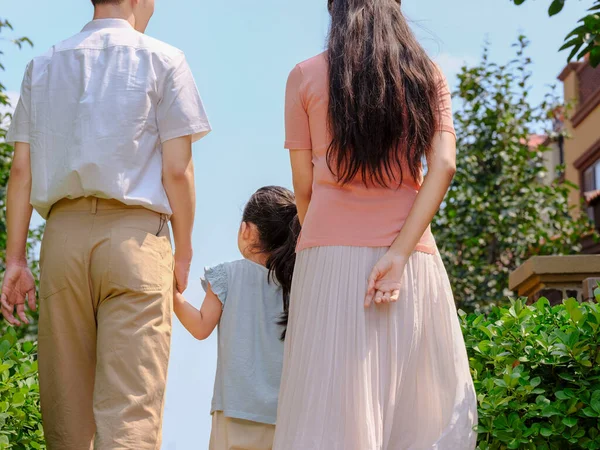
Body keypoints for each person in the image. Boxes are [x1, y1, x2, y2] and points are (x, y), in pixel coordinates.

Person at [1, 0, 211, 448]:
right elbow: (177, 170)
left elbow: (21, 172)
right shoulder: (164, 59)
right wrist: (185, 248)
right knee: (130, 414)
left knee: (67, 417)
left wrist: (15, 260)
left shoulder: (42, 66)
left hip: (62, 240)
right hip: (136, 240)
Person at [273, 0, 477, 449]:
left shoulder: (304, 75)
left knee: (328, 412)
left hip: (327, 257)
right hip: (410, 260)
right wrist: (399, 252)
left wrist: (324, 237)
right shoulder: (428, 75)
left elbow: (302, 187)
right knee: (422, 415)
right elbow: (443, 166)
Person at [173, 186, 300, 450]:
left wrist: (170, 294)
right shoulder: (296, 285)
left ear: (247, 230)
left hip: (234, 409)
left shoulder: (227, 275)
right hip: (284, 415)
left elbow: (200, 327)